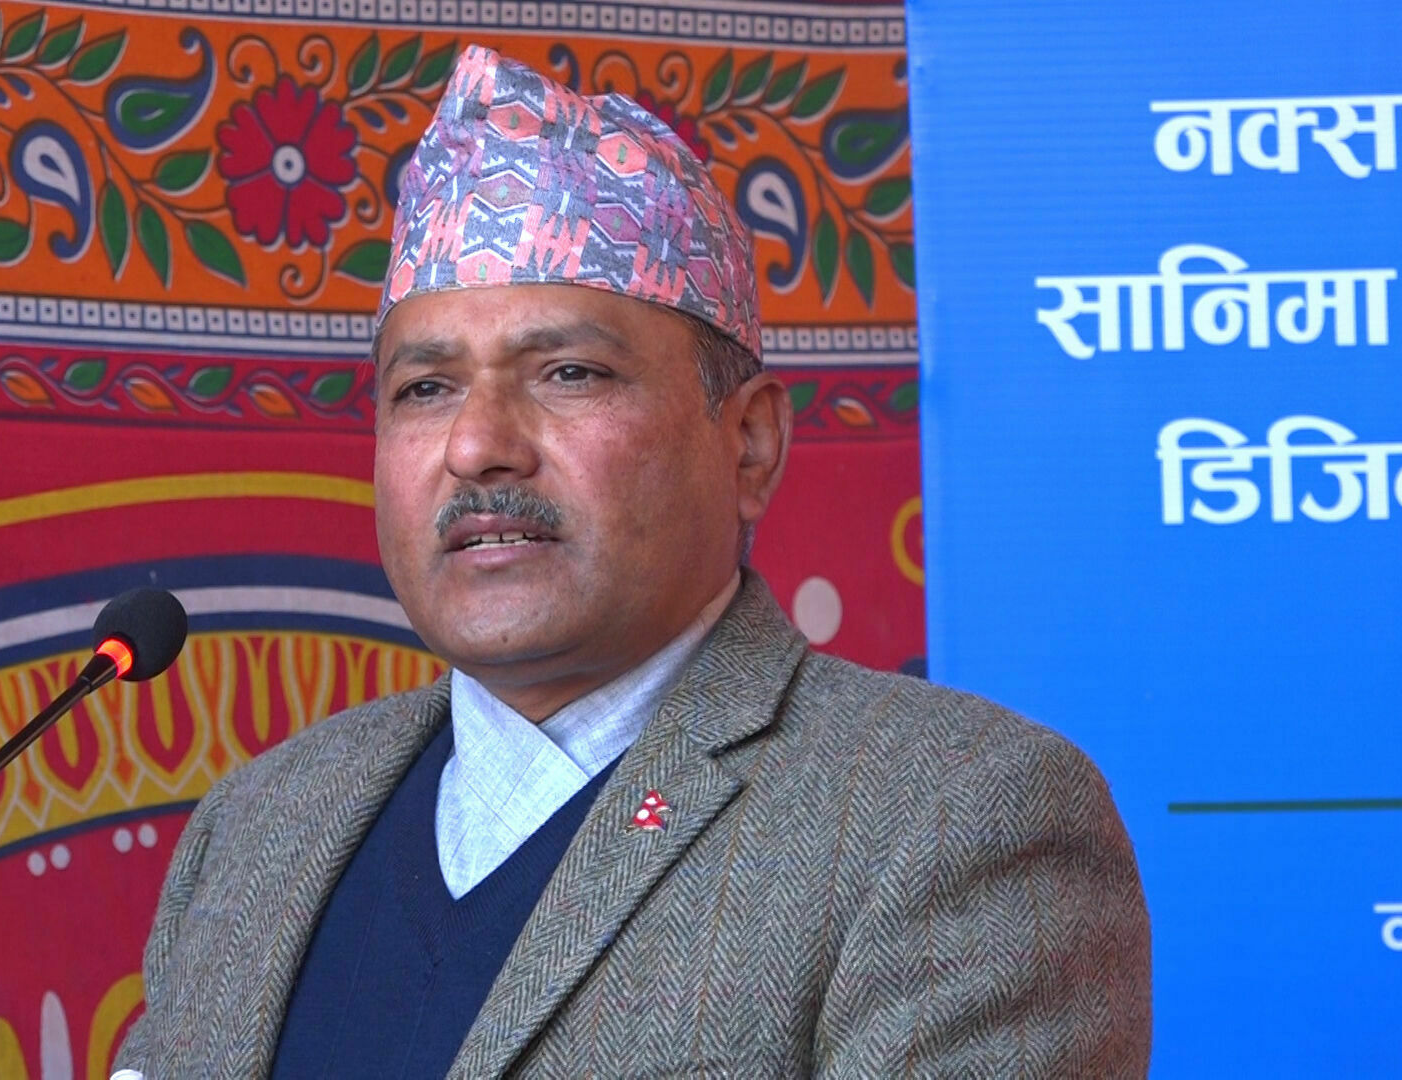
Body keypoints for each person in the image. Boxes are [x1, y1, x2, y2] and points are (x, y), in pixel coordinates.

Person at [113, 45, 1150, 1079]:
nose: (477, 446)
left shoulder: (950, 815)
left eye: (568, 373)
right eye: (425, 389)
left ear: (749, 444)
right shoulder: (258, 828)